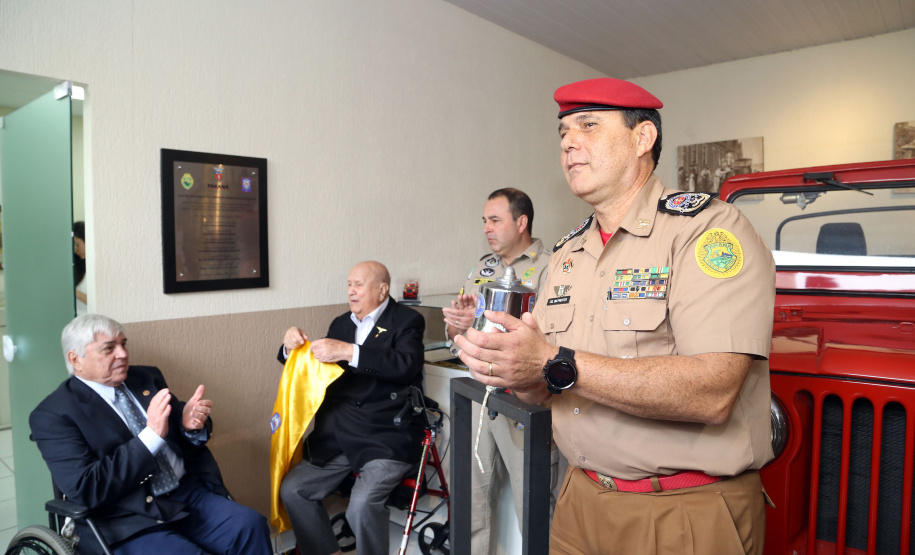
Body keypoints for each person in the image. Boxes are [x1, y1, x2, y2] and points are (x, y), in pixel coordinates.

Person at [455, 77, 776, 555]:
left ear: (642, 138)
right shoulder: (567, 254)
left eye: (587, 125)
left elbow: (714, 391)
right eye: (563, 133)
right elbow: (542, 382)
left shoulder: (707, 230)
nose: (568, 143)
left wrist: (552, 364)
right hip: (580, 499)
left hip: (681, 510)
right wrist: (507, 364)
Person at [29, 314, 272, 555]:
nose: (123, 354)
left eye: (123, 344)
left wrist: (189, 426)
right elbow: (86, 488)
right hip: (123, 517)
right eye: (109, 348)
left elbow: (180, 434)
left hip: (184, 495)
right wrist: (151, 436)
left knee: (250, 525)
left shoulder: (146, 377)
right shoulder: (54, 414)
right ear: (76, 359)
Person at [278, 261, 425, 555]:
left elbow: (405, 366)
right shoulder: (341, 323)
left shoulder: (407, 320)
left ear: (383, 290)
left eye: (359, 285)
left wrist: (348, 351)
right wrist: (290, 349)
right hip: (339, 432)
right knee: (294, 490)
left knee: (360, 506)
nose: (351, 291)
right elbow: (314, 367)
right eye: (349, 285)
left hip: (385, 434)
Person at [441, 188, 558, 554]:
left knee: (535, 508)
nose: (487, 229)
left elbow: (553, 340)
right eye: (484, 221)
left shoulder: (553, 267)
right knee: (471, 505)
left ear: (521, 222)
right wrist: (457, 326)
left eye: (495, 220)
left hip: (525, 400)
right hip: (478, 395)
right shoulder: (483, 267)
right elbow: (462, 334)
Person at [73, 220, 87, 315]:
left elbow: (102, 303)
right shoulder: (77, 267)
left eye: (77, 244)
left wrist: (76, 293)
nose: (75, 249)